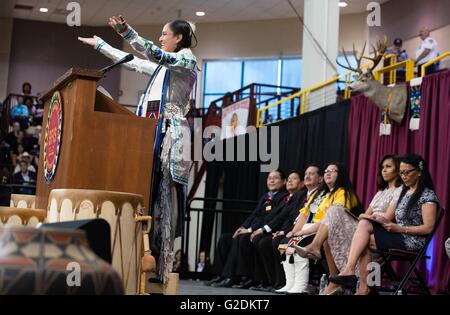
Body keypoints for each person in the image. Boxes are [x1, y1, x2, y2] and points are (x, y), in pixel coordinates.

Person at [79, 17, 198, 283]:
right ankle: (139, 257)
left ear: (178, 38)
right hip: (150, 135)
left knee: (163, 201)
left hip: (170, 137)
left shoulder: (187, 61)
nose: (160, 38)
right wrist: (101, 45)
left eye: (164, 33)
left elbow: (152, 53)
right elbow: (133, 62)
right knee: (147, 196)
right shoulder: (163, 68)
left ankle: (160, 265)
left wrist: (127, 32)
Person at [330, 154, 440, 293]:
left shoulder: (427, 195)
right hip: (399, 233)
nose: (404, 176)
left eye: (407, 172)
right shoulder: (405, 192)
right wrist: (382, 220)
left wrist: (399, 228)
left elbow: (428, 228)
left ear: (419, 172)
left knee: (365, 240)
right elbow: (394, 218)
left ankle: (361, 286)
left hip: (413, 240)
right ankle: (350, 272)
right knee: (364, 224)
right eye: (401, 173)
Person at [296, 155, 402, 295]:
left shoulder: (400, 190)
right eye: (382, 167)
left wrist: (367, 216)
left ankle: (316, 247)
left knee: (335, 209)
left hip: (377, 230)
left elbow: (385, 218)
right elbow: (364, 214)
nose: (384, 170)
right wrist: (367, 216)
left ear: (398, 170)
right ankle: (334, 281)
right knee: (329, 236)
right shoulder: (380, 192)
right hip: (364, 226)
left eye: (388, 167)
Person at [280, 162, 360, 294]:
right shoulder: (324, 195)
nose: (328, 173)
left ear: (341, 175)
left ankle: (301, 287)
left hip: (341, 234)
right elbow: (306, 214)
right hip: (320, 230)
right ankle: (291, 284)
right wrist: (295, 231)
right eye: (326, 171)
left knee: (302, 242)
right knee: (289, 244)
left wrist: (305, 231)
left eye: (333, 171)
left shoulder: (343, 193)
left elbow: (333, 218)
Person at [208, 170, 288, 288]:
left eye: (275, 178)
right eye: (269, 178)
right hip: (252, 229)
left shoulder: (283, 197)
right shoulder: (266, 196)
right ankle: (221, 274)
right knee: (225, 238)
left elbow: (271, 219)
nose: (271, 180)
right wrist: (242, 227)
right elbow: (254, 215)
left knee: (242, 238)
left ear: (283, 181)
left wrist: (250, 230)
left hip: (266, 232)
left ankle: (236, 277)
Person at [248, 170, 306, 292]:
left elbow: (296, 219)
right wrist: (262, 229)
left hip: (295, 232)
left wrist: (284, 231)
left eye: (294, 178)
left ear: (302, 184)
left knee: (272, 242)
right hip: (281, 231)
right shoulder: (288, 198)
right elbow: (279, 217)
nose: (290, 180)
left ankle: (281, 282)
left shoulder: (302, 196)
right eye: (289, 178)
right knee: (261, 241)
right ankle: (271, 281)